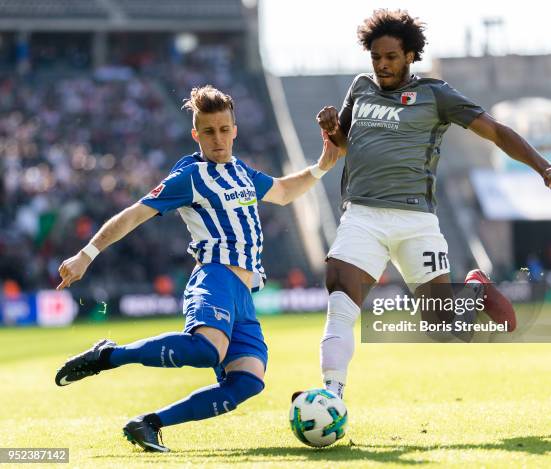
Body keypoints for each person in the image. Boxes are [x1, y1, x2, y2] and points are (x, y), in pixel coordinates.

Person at [54, 85, 341, 452]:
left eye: (224, 129)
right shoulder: (190, 176)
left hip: (245, 292)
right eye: (209, 131)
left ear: (235, 129)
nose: (218, 139)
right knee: (208, 349)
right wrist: (86, 254)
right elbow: (134, 215)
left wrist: (321, 166)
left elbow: (284, 193)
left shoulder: (242, 172)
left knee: (248, 381)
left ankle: (149, 424)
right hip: (215, 275)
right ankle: (109, 356)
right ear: (196, 134)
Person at [315, 9, 551, 399]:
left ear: (411, 55)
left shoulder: (436, 95)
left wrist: (542, 165)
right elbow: (347, 142)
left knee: (448, 329)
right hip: (362, 215)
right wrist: (333, 129)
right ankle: (331, 397)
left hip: (416, 220)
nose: (382, 65)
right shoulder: (360, 88)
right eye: (376, 57)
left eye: (391, 57)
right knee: (339, 298)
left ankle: (475, 289)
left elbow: (497, 131)